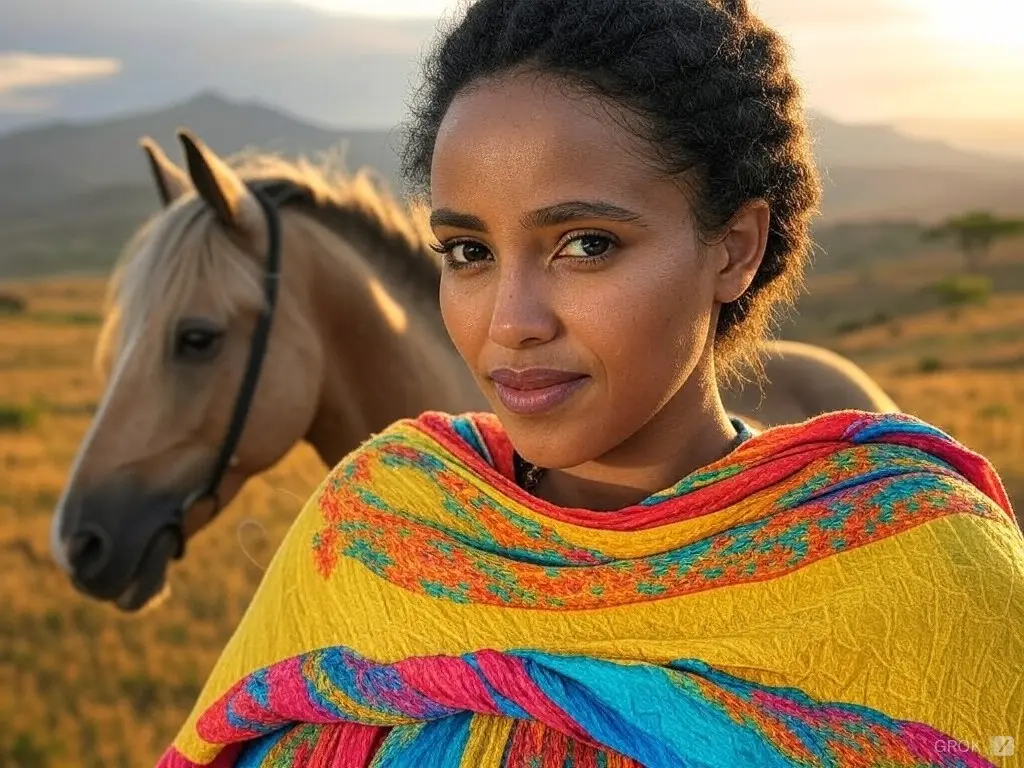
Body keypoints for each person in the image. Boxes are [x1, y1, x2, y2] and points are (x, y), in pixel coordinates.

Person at [158, 0, 1024, 765]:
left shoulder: (929, 576)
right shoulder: (373, 527)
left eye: (586, 245)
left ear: (735, 248)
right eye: (469, 253)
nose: (511, 321)